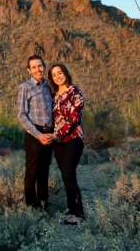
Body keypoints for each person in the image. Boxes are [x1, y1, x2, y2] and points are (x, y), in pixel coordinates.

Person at [48, 63, 85, 225]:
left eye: (60, 73)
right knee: (67, 175)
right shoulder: (54, 95)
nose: (58, 76)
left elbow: (73, 119)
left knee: (68, 174)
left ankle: (79, 214)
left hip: (73, 138)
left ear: (66, 73)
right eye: (54, 75)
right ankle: (72, 211)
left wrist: (57, 134)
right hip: (58, 142)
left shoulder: (75, 93)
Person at [17, 55, 56, 209]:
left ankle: (43, 207)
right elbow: (21, 114)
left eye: (40, 66)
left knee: (44, 173)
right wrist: (38, 135)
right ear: (29, 70)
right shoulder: (25, 87)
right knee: (32, 172)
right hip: (35, 134)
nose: (38, 69)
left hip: (49, 134)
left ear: (44, 67)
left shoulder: (48, 87)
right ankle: (31, 208)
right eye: (34, 67)